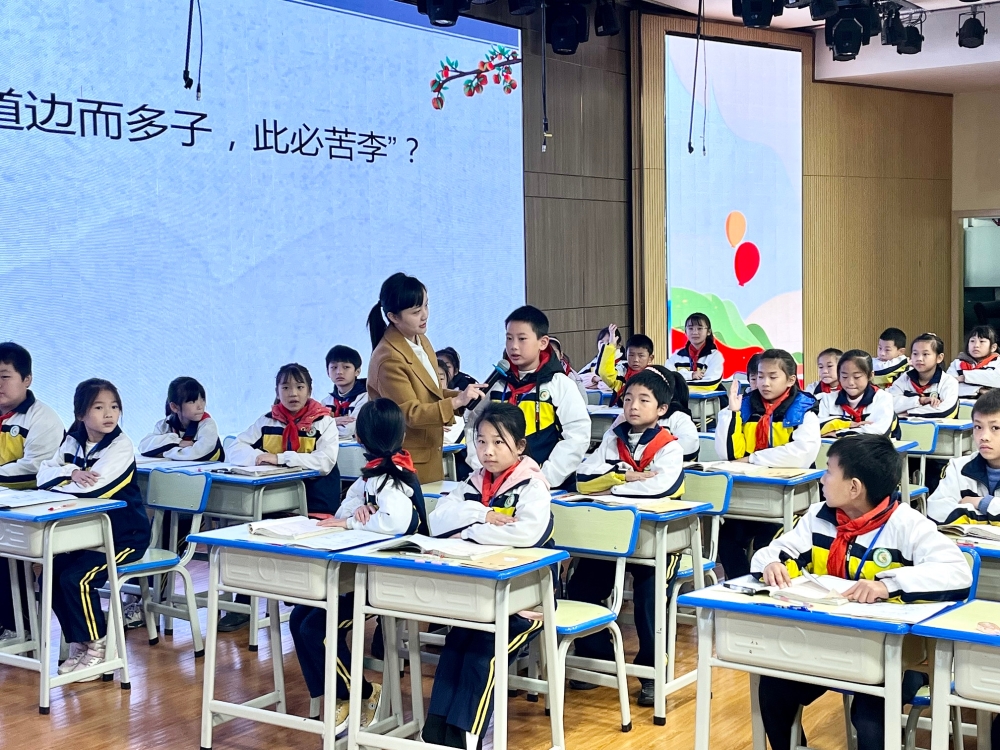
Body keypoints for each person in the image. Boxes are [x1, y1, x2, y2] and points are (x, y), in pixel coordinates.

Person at [753, 434, 972, 750]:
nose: (822, 479)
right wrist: (772, 562)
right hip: (829, 644)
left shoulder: (908, 524)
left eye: (829, 471)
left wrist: (887, 585)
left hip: (893, 655)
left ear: (854, 487)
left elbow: (957, 572)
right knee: (773, 690)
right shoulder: (820, 517)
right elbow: (775, 551)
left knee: (870, 720)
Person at [288, 399, 427, 734]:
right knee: (299, 619)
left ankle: (360, 694)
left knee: (316, 630)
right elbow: (345, 508)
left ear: (360, 437)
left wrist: (355, 521)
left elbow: (394, 522)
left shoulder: (394, 476)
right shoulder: (373, 474)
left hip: (389, 580)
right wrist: (357, 514)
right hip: (361, 574)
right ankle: (341, 695)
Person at [423, 403, 552, 748]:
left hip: (523, 600)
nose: (488, 451)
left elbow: (525, 534)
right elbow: (438, 520)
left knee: (484, 653)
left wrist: (467, 530)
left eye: (498, 442)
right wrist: (482, 515)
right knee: (455, 647)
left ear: (520, 446)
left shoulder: (532, 486)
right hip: (480, 594)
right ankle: (436, 735)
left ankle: (465, 737)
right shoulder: (474, 482)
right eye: (481, 441)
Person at [572, 368, 686, 705]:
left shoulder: (669, 446)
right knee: (581, 587)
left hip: (657, 539)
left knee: (650, 599)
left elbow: (661, 488)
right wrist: (626, 476)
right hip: (612, 534)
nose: (633, 406)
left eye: (643, 400)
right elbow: (583, 479)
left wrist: (612, 484)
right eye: (628, 399)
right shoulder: (614, 437)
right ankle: (599, 658)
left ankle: (652, 672)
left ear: (661, 409)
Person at [37, 379, 150, 680]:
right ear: (81, 414)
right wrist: (72, 472)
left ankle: (99, 647)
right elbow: (42, 476)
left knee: (78, 579)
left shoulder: (121, 445)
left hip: (124, 536)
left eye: (114, 407)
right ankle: (81, 643)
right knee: (50, 575)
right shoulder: (72, 440)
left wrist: (63, 482)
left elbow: (95, 490)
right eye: (98, 407)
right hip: (86, 535)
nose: (109, 414)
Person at [366, 273, 483, 483]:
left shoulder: (420, 339)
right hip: (405, 461)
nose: (425, 315)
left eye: (426, 306)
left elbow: (431, 392)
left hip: (429, 453)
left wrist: (463, 396)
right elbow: (410, 413)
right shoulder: (388, 357)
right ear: (393, 317)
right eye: (416, 311)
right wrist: (456, 402)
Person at [715, 349, 821, 579]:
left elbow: (800, 455)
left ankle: (764, 586)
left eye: (773, 377)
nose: (765, 383)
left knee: (768, 544)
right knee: (726, 539)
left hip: (790, 500)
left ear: (790, 380)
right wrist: (732, 414)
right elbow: (729, 454)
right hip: (748, 496)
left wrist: (753, 458)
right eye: (760, 376)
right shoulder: (744, 405)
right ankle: (741, 584)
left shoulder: (803, 410)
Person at [464, 305, 590, 491]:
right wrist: (482, 470)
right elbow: (473, 427)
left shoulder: (559, 384)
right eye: (509, 338)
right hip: (495, 484)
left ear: (543, 342)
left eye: (522, 339)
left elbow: (577, 435)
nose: (513, 346)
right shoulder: (496, 384)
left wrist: (543, 478)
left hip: (546, 485)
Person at [0, 342, 63, 644]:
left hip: (33, 509)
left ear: (27, 379)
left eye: (4, 377)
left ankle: (18, 627)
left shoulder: (43, 418)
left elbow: (35, 468)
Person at [229, 363, 341, 512]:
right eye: (286, 388)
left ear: (309, 391)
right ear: (277, 392)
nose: (293, 393)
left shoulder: (324, 421)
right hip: (273, 501)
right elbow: (234, 449)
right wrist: (260, 458)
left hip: (316, 502)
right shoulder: (267, 421)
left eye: (299, 387)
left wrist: (280, 459)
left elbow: (325, 462)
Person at [928, 388, 1000, 524]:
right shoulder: (958, 467)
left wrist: (982, 503)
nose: (984, 437)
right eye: (978, 427)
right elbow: (936, 511)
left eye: (995, 428)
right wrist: (990, 517)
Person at [139, 376, 223, 461]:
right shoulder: (165, 424)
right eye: (192, 401)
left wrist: (165, 452)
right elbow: (144, 446)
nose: (200, 406)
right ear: (175, 407)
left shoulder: (207, 424)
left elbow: (198, 453)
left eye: (203, 399)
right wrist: (178, 442)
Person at [818, 350, 898, 438]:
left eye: (857, 377)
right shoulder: (827, 399)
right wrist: (848, 424)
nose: (850, 382)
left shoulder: (883, 398)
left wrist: (837, 433)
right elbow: (817, 428)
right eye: (844, 376)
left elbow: (878, 431)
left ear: (870, 375)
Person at [889, 332, 960, 418]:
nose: (919, 359)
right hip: (905, 426)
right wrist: (919, 401)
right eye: (915, 354)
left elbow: (944, 410)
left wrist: (908, 412)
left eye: (925, 354)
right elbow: (888, 404)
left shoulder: (949, 382)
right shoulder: (905, 378)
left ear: (939, 358)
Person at [597, 324, 654, 407]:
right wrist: (611, 345)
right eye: (631, 355)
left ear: (650, 358)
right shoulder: (622, 371)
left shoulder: (654, 375)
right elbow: (605, 373)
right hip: (621, 411)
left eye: (641, 356)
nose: (635, 359)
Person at [667, 312, 725, 393]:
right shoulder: (676, 356)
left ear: (708, 332)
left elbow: (709, 384)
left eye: (700, 328)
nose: (695, 332)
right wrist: (691, 375)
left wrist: (679, 385)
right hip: (681, 400)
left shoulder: (715, 356)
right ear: (685, 331)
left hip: (710, 400)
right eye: (690, 328)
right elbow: (668, 378)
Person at [322, 345, 369, 439]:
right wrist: (334, 422)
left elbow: (348, 430)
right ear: (327, 372)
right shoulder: (326, 402)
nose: (339, 372)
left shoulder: (365, 398)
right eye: (334, 367)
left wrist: (326, 424)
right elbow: (313, 429)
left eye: (346, 367)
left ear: (357, 371)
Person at [947, 325, 1000, 399]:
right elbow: (948, 386)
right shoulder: (957, 363)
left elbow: (996, 380)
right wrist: (979, 390)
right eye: (972, 341)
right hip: (961, 404)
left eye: (982, 341)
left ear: (993, 347)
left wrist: (963, 378)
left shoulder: (997, 362)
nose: (976, 345)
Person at [549, 336, 588, 401]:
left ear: (561, 355)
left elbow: (583, 400)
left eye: (554, 352)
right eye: (546, 352)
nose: (550, 356)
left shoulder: (570, 375)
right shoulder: (535, 374)